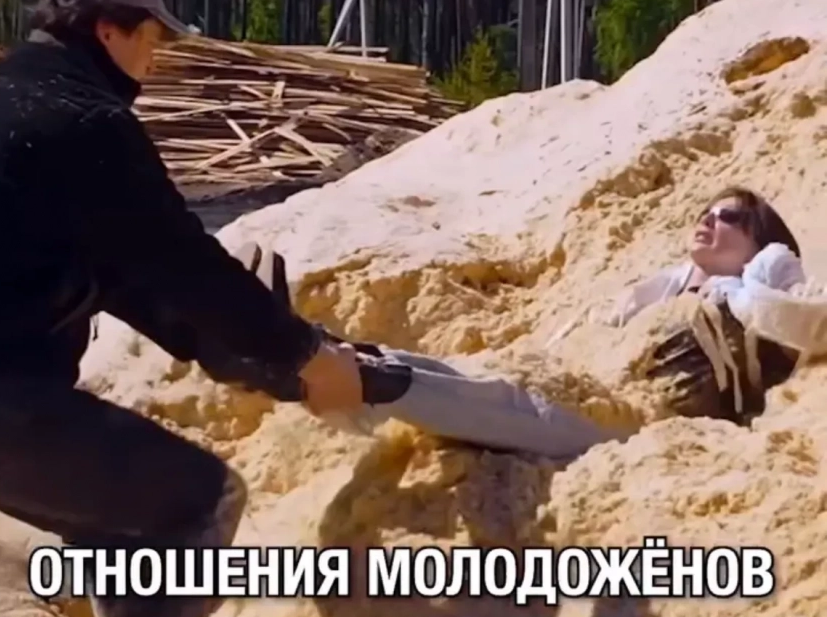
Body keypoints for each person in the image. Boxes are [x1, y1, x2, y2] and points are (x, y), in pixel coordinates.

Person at [0, 0, 377, 617]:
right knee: (199, 501)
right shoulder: (85, 124)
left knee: (116, 529)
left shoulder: (4, 104)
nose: (156, 60)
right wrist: (303, 354)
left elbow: (125, 280)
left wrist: (242, 360)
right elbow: (183, 265)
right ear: (109, 30)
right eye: (151, 38)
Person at [249, 188, 809, 460]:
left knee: (506, 403)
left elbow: (796, 318)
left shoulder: (752, 292)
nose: (709, 219)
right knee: (476, 376)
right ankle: (315, 354)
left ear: (760, 241)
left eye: (730, 217)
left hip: (633, 426)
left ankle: (362, 378)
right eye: (705, 211)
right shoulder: (660, 289)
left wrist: (759, 272)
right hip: (585, 387)